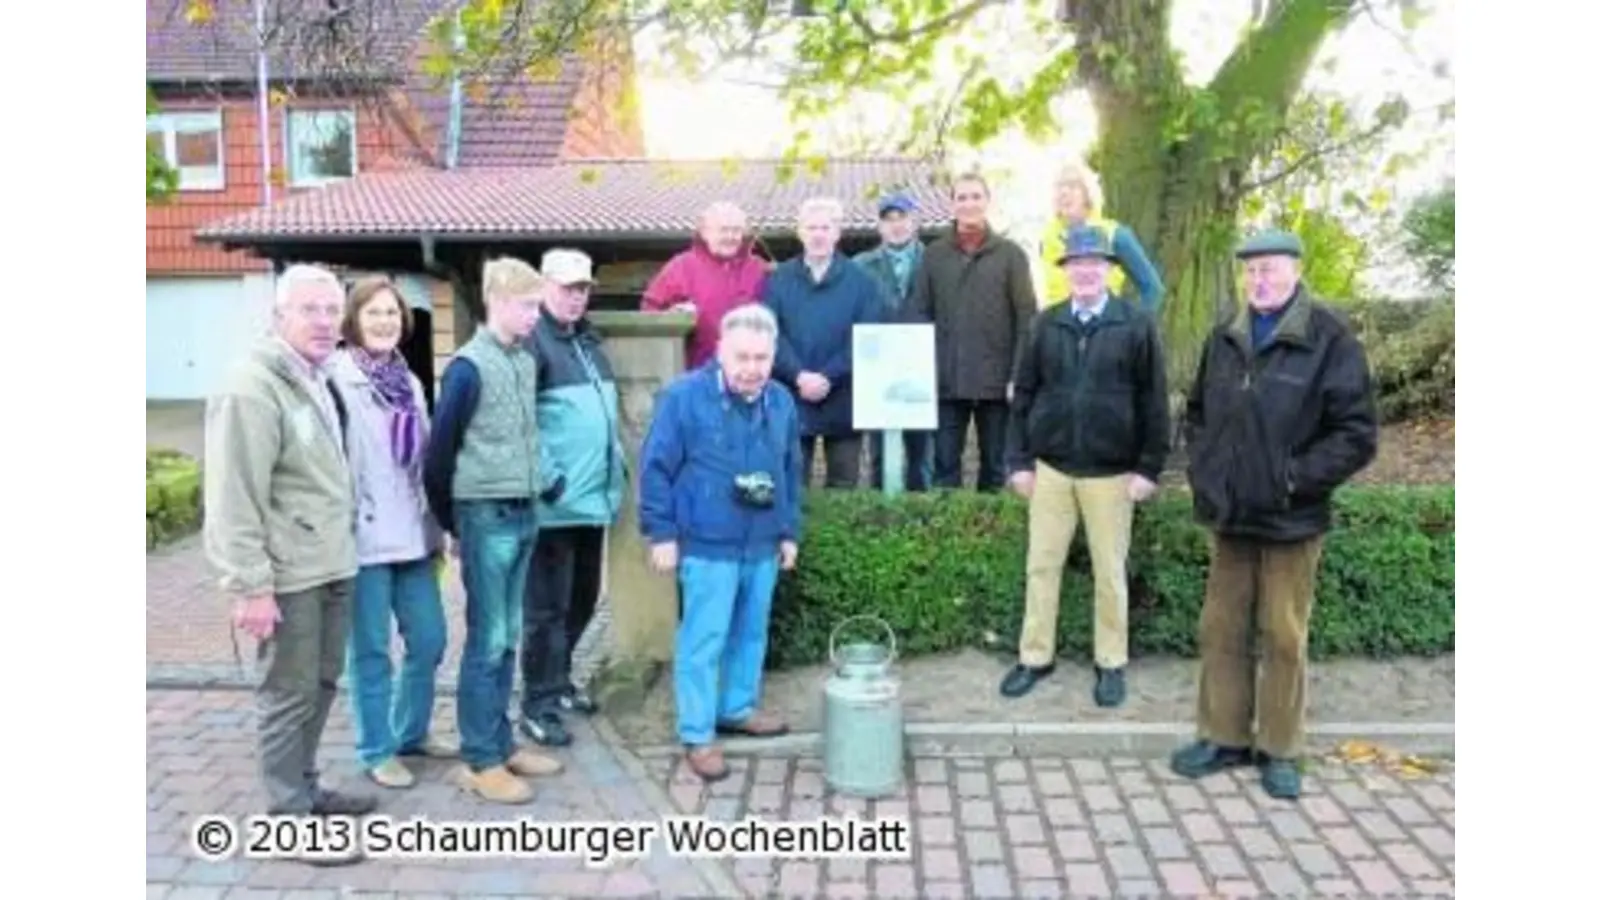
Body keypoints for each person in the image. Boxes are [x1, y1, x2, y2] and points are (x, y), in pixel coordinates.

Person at [1169, 228, 1378, 801]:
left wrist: (1291, 478)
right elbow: (1198, 414)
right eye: (1251, 270)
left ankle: (1280, 748)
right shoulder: (1226, 336)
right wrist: (1206, 473)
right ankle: (1224, 736)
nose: (1259, 280)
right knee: (1221, 628)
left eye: (1270, 269)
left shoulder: (1329, 338)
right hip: (1231, 515)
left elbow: (1357, 435)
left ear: (1295, 270)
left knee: (1283, 634)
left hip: (1292, 519)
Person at [203, 263, 374, 865]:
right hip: (287, 573)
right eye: (310, 310)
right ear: (279, 316)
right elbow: (232, 496)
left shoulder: (320, 376)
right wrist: (249, 586)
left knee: (322, 683)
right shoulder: (252, 386)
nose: (326, 322)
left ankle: (302, 787)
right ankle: (287, 820)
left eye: (332, 310)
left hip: (330, 562)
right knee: (286, 693)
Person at [1000, 226, 1170, 707]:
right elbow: (1024, 396)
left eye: (1095, 263)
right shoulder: (1044, 324)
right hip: (1051, 468)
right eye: (1077, 263)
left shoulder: (1135, 324)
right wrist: (1018, 461)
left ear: (1110, 271)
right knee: (1041, 566)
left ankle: (1111, 662)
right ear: (1067, 271)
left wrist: (1149, 468)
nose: (1086, 270)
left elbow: (1155, 401)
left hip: (1113, 473)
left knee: (1110, 572)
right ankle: (1035, 657)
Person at [638, 303, 803, 782]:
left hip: (762, 542)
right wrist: (661, 534)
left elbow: (790, 472)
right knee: (703, 638)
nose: (752, 369)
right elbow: (655, 469)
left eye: (762, 358)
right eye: (743, 358)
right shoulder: (683, 398)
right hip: (707, 541)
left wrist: (789, 531)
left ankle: (737, 708)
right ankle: (697, 732)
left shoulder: (781, 402)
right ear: (719, 352)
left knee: (750, 633)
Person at [422, 256, 565, 805]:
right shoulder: (467, 367)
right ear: (498, 302)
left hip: (524, 510)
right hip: (485, 516)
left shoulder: (523, 360)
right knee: (487, 640)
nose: (535, 315)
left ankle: (500, 743)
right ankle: (480, 758)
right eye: (528, 305)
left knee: (508, 636)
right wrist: (454, 523)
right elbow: (438, 456)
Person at [328, 276, 455, 790]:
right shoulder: (336, 380)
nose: (384, 322)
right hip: (364, 540)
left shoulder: (409, 380)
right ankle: (377, 748)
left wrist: (439, 523)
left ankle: (412, 732)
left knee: (429, 639)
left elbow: (422, 460)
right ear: (353, 321)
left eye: (392, 313)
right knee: (372, 651)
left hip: (414, 534)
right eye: (373, 313)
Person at [518, 249, 625, 747]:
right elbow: (520, 422)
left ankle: (558, 682)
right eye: (566, 288)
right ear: (544, 287)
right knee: (546, 610)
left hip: (592, 501)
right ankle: (536, 704)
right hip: (554, 506)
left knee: (582, 598)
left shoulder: (587, 340)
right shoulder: (532, 342)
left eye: (582, 289)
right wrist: (549, 480)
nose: (575, 297)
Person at [909, 171, 1039, 491]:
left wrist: (1017, 375)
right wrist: (924, 373)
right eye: (961, 197)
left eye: (975, 196)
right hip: (947, 382)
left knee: (996, 468)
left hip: (997, 384)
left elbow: (1027, 319)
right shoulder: (934, 255)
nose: (969, 204)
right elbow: (920, 314)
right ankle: (948, 535)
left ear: (987, 202)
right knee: (944, 468)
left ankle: (988, 536)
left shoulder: (1011, 255)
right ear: (952, 205)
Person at [762, 196, 883, 489]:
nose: (818, 234)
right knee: (791, 486)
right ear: (800, 232)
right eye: (811, 227)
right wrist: (798, 375)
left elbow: (867, 337)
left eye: (825, 228)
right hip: (791, 396)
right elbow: (768, 333)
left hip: (843, 396)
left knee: (844, 488)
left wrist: (829, 376)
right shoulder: (778, 280)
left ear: (837, 233)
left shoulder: (862, 282)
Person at [853, 192, 934, 492]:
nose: (896, 225)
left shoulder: (934, 261)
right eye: (889, 220)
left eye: (903, 218)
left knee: (922, 453)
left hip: (922, 369)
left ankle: (921, 522)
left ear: (915, 223)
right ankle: (878, 520)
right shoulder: (861, 265)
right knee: (878, 453)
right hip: (877, 370)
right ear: (879, 227)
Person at [641, 200, 771, 370]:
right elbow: (648, 313)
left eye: (736, 230)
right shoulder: (681, 267)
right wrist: (671, 317)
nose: (730, 237)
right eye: (724, 230)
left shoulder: (759, 269)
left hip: (749, 375)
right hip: (696, 376)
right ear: (704, 232)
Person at [1037, 161, 1165, 315]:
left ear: (1088, 193)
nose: (1064, 192)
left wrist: (1131, 329)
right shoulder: (1047, 236)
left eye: (1072, 185)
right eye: (1059, 186)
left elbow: (1153, 289)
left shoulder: (1115, 235)